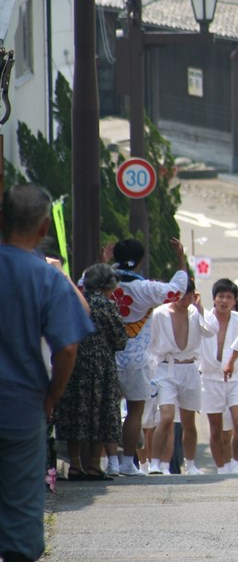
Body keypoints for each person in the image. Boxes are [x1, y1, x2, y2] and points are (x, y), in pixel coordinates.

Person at [0, 184, 92, 562]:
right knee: (22, 516)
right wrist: (51, 396)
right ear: (42, 230)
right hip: (22, 408)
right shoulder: (47, 277)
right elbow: (68, 347)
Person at [109, 237, 189, 477]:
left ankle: (111, 462)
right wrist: (180, 259)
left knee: (109, 409)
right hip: (136, 357)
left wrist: (101, 262)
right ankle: (126, 462)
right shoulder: (145, 288)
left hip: (108, 355)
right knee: (135, 410)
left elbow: (82, 284)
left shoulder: (102, 282)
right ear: (140, 261)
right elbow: (176, 290)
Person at [55, 263, 127, 481]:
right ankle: (95, 466)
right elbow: (120, 339)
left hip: (73, 363)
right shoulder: (106, 306)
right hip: (101, 366)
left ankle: (75, 465)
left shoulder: (73, 302)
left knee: (74, 413)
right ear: (109, 284)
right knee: (101, 414)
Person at [148, 279, 215, 475]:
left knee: (188, 421)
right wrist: (152, 370)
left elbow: (211, 330)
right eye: (181, 295)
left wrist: (200, 307)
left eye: (189, 295)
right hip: (166, 368)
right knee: (166, 417)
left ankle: (191, 464)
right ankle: (155, 463)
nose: (185, 300)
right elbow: (150, 343)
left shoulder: (195, 313)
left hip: (189, 368)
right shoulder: (160, 313)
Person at [199, 279, 238, 474]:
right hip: (210, 379)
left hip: (235, 378)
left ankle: (237, 464)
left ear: (235, 301)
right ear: (213, 299)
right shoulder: (203, 319)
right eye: (221, 296)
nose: (224, 301)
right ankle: (222, 468)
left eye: (229, 297)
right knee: (216, 428)